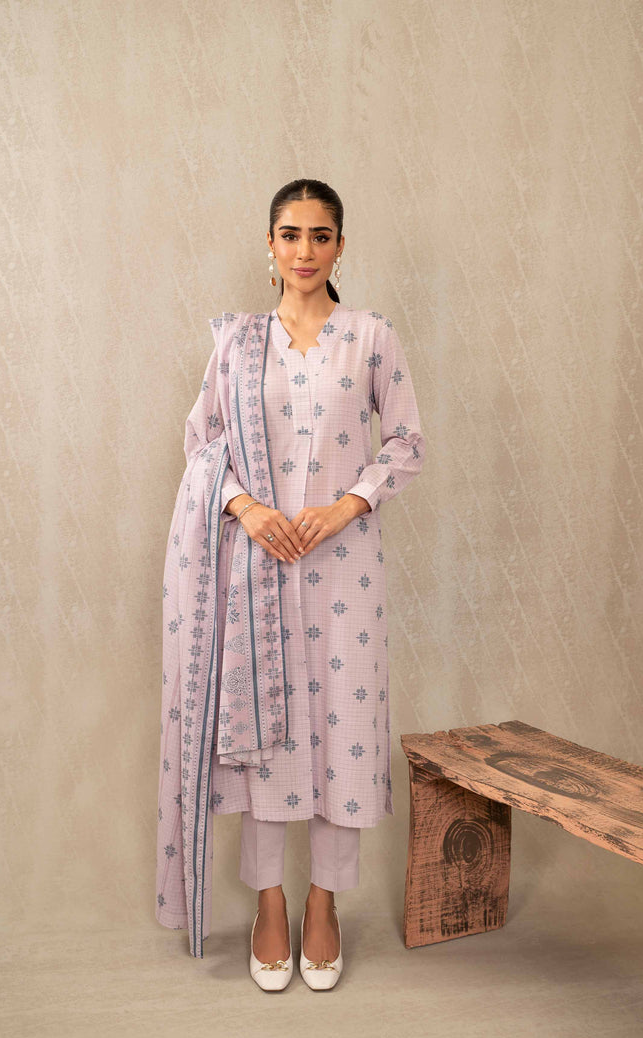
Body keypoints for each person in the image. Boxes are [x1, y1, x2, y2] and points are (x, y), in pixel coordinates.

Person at [155, 178, 425, 991]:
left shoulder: (370, 337)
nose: (304, 251)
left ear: (340, 246)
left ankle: (323, 905)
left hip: (346, 570)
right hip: (257, 567)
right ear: (269, 246)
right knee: (266, 735)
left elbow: (406, 443)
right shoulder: (239, 344)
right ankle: (269, 904)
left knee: (344, 733)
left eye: (320, 235)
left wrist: (345, 507)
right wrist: (246, 508)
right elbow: (203, 444)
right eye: (290, 234)